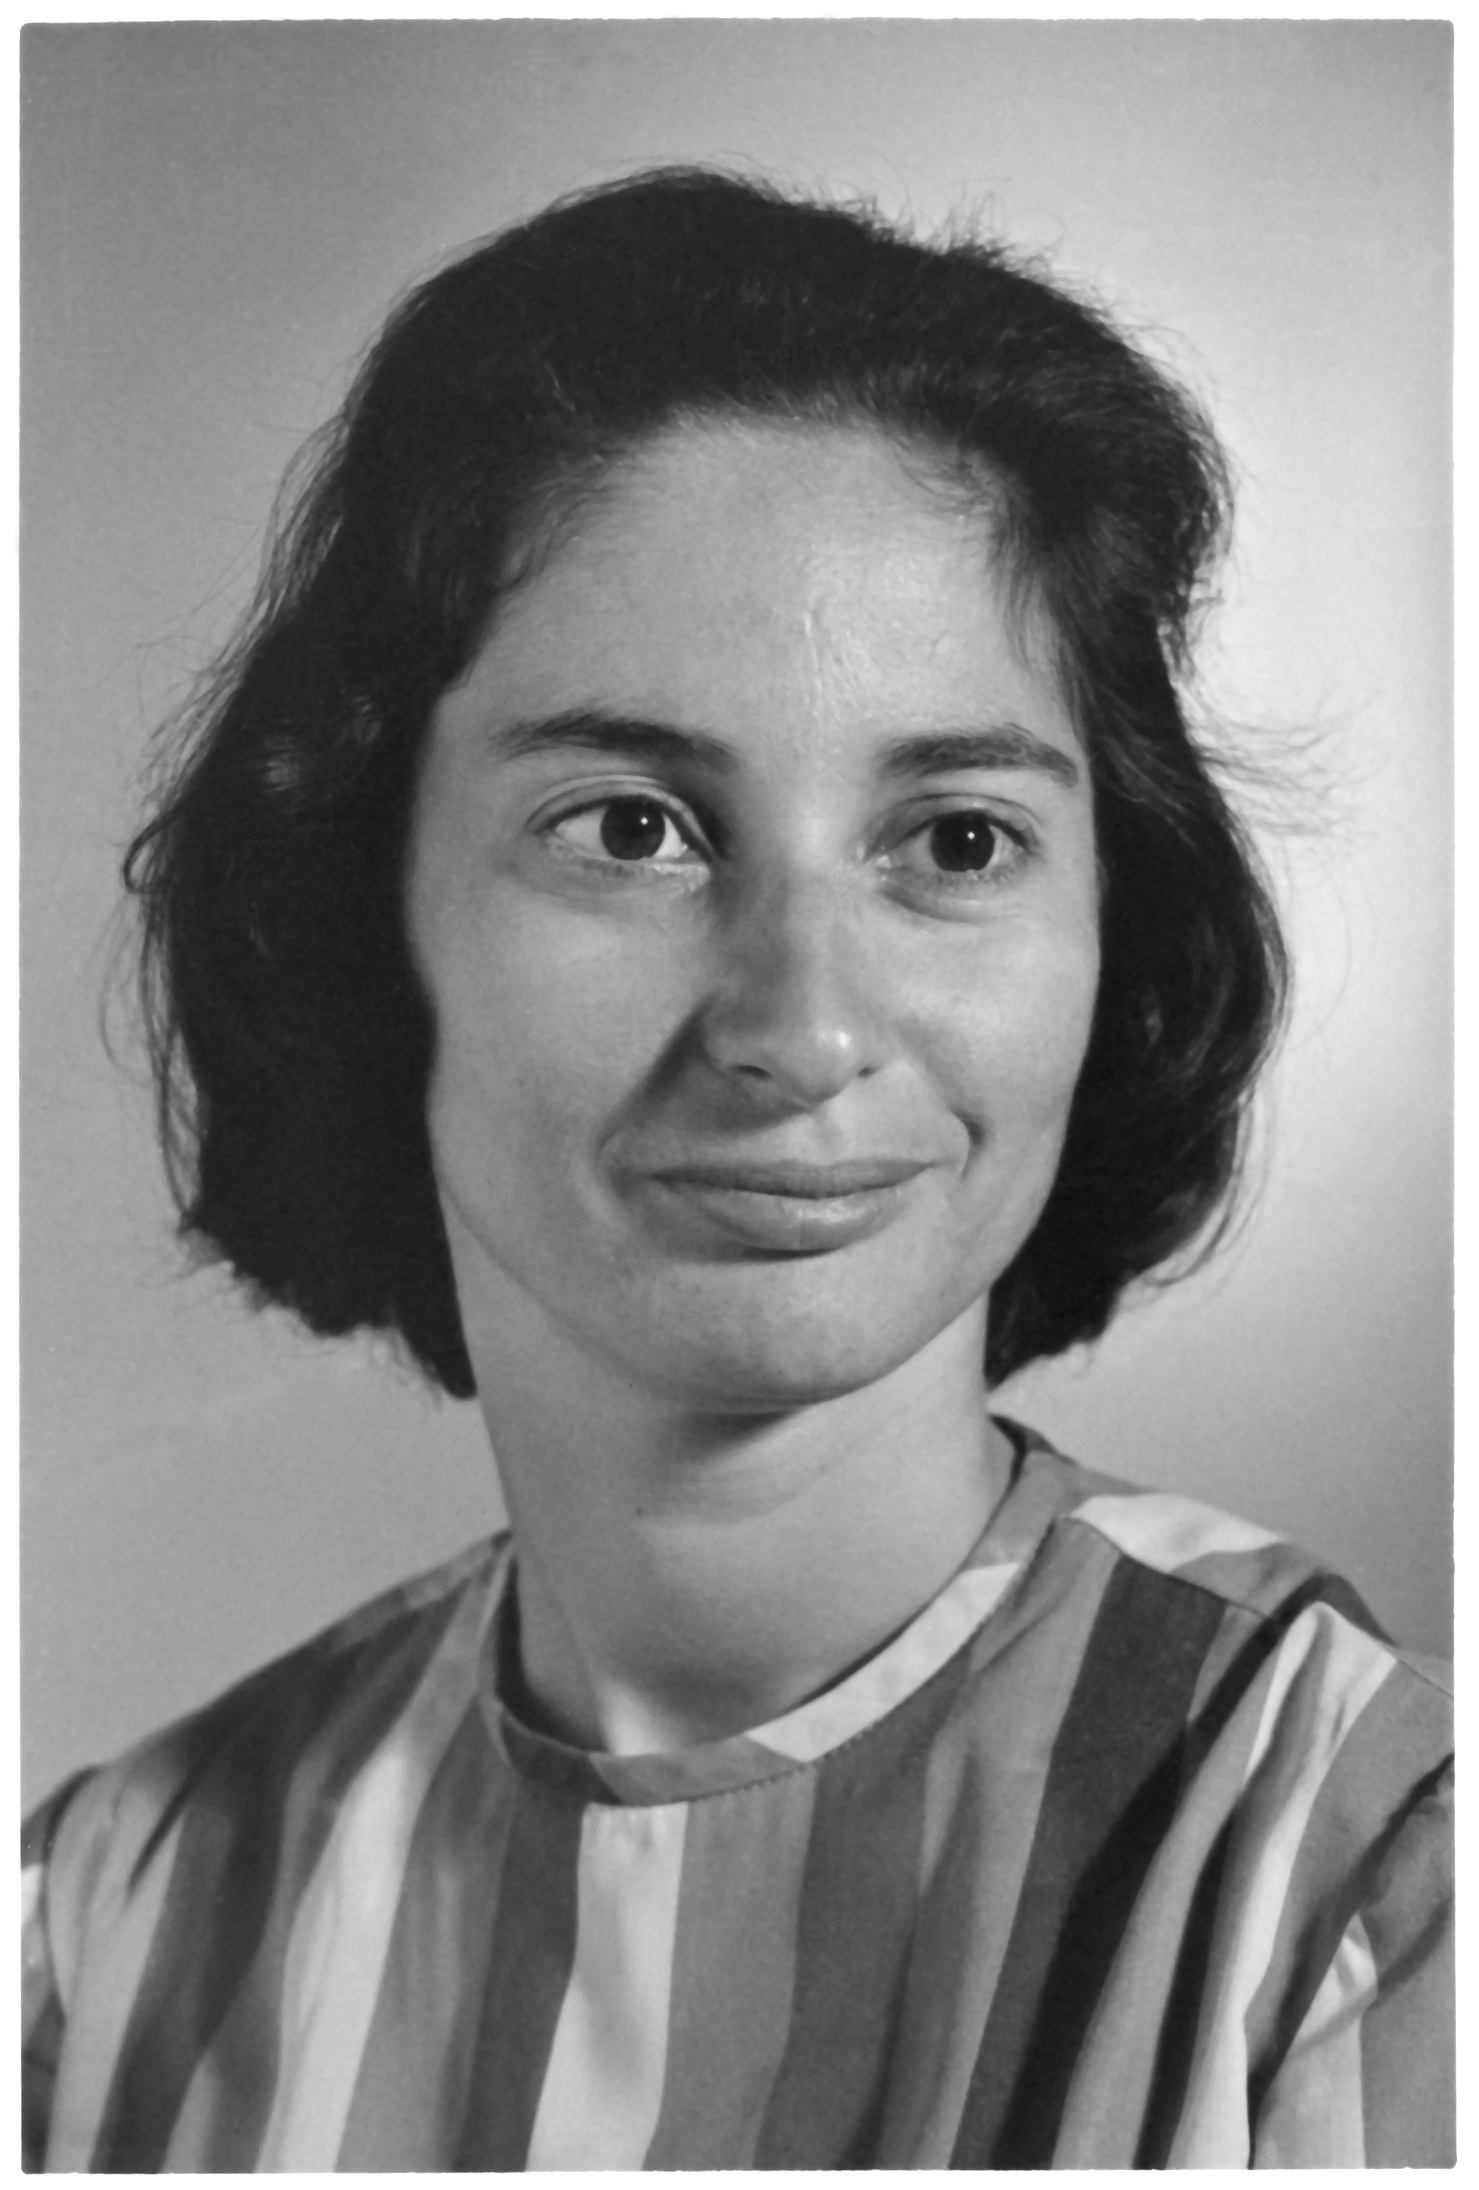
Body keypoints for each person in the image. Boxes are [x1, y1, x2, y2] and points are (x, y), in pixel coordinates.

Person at [21, 168, 1452, 2171]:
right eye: (628, 827)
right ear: (362, 900)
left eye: (951, 841)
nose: (798, 1029)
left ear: (1115, 927)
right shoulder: (109, 1915)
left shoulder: (1365, 1865)